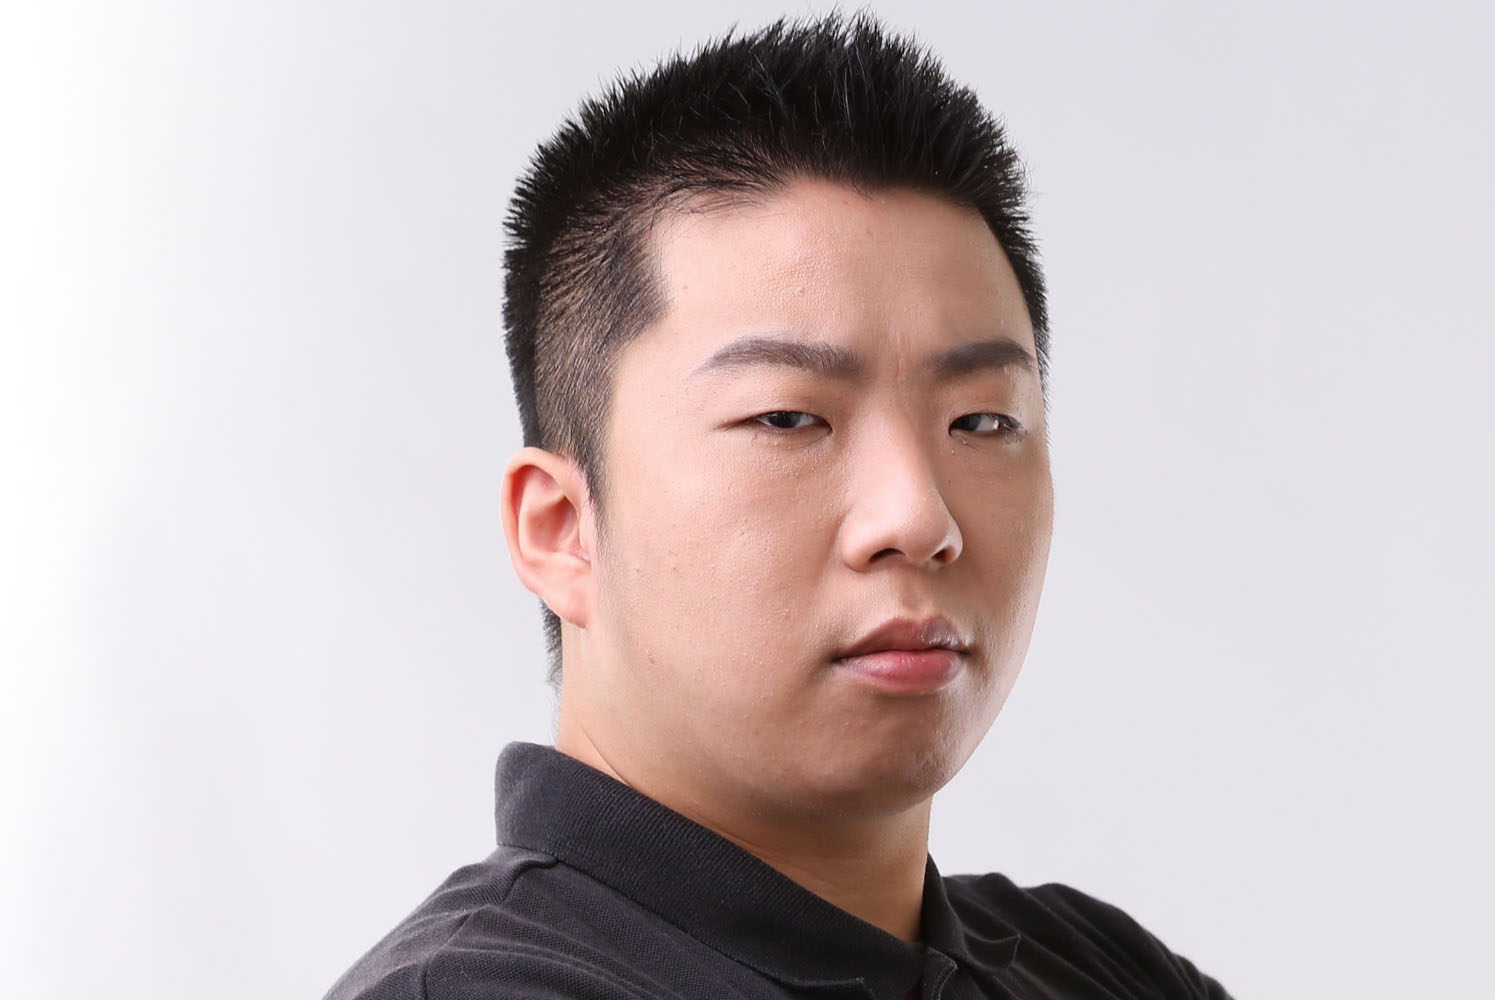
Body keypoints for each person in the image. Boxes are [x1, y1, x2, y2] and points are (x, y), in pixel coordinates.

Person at [325, 14, 1231, 1000]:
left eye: (979, 421)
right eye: (789, 418)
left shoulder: (1103, 969)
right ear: (562, 529)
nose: (918, 518)